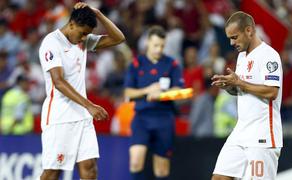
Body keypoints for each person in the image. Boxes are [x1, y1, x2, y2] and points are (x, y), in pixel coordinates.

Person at [38, 2, 125, 180]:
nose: (84, 37)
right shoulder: (51, 43)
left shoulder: (83, 40)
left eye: (88, 34)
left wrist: (98, 14)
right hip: (59, 118)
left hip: (83, 117)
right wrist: (90, 105)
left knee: (89, 167)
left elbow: (118, 38)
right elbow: (59, 82)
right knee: (53, 173)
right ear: (71, 24)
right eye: (83, 32)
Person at [211, 11, 283, 180]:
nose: (231, 42)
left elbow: (272, 92)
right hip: (241, 131)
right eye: (229, 38)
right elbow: (243, 89)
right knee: (219, 178)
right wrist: (229, 87)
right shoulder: (242, 57)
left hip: (262, 135)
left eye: (235, 37)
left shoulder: (269, 56)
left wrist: (239, 83)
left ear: (249, 31)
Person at [124, 25, 184, 180]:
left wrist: (162, 94)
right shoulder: (137, 64)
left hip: (164, 118)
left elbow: (180, 91)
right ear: (148, 43)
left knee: (161, 169)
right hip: (142, 117)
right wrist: (147, 91)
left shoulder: (172, 64)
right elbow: (128, 93)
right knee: (135, 161)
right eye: (156, 45)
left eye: (162, 46)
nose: (159, 49)